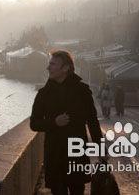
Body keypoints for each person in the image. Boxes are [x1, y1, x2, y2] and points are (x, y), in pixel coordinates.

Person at [30, 50, 102, 195]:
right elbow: (34, 124)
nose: (48, 67)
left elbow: (92, 122)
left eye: (53, 64)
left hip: (76, 154)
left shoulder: (82, 91)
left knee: (77, 191)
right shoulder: (44, 94)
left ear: (66, 68)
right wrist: (54, 122)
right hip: (54, 156)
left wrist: (100, 149)